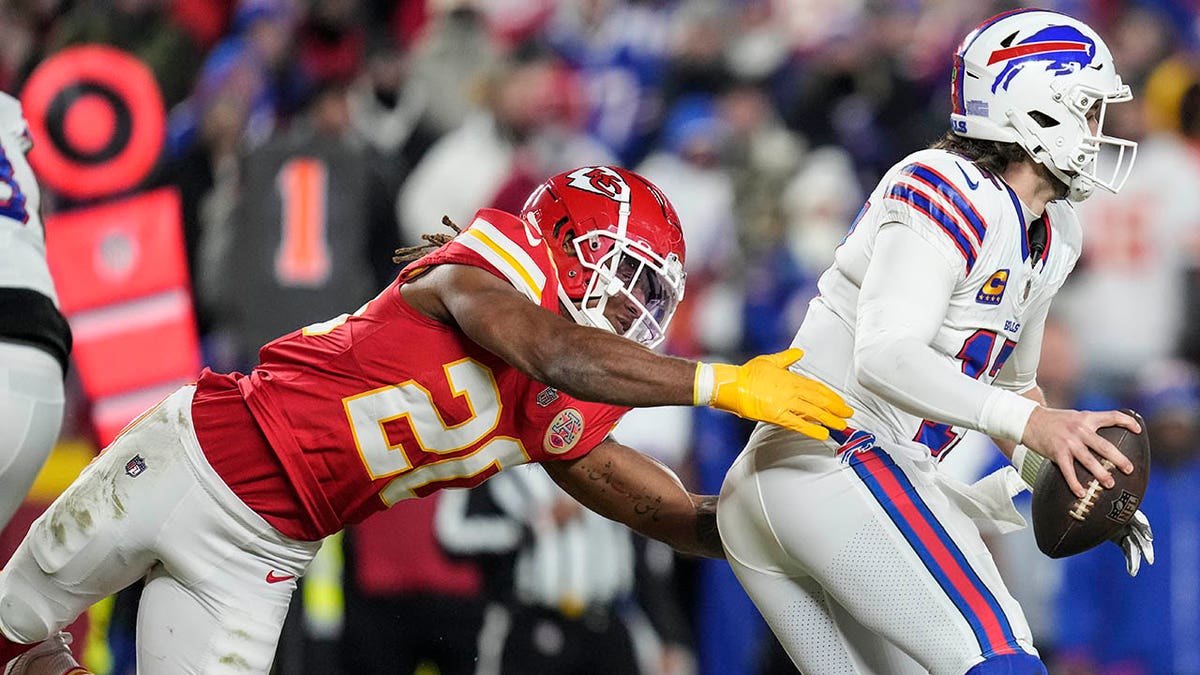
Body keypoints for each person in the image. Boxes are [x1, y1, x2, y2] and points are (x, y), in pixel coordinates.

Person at [0, 164, 852, 673]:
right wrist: (722, 384)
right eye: (627, 275)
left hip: (262, 553)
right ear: (566, 238)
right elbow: (551, 349)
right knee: (8, 626)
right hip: (192, 455)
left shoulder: (563, 394)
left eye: (653, 295)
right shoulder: (484, 270)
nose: (634, 308)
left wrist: (793, 529)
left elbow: (667, 514)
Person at [717, 9, 1153, 675]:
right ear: (1031, 110)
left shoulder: (1054, 230)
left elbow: (1010, 389)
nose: (1098, 130)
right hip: (831, 455)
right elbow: (886, 354)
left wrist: (1070, 477)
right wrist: (1035, 421)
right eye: (1086, 109)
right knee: (1003, 660)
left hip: (828, 486)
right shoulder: (946, 185)